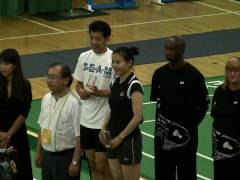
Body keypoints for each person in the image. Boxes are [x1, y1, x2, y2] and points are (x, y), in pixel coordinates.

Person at [150, 36, 209, 180]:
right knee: (163, 174)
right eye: (166, 48)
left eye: (172, 49)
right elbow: (156, 100)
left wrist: (190, 125)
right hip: (162, 138)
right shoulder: (159, 74)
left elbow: (204, 104)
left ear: (181, 50)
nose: (167, 52)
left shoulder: (194, 76)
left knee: (186, 175)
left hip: (185, 140)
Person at [73, 20, 113, 180]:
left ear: (107, 38)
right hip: (85, 120)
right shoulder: (84, 57)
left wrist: (98, 93)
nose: (93, 42)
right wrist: (82, 92)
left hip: (106, 122)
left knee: (104, 165)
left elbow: (118, 92)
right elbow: (78, 83)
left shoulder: (113, 59)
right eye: (91, 38)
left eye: (98, 39)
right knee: (92, 163)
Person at [0, 48, 33, 180]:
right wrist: (0, 134)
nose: (3, 67)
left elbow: (24, 112)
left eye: (7, 64)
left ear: (15, 65)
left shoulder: (24, 85)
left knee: (19, 172)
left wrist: (8, 136)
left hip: (17, 136)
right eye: (1, 63)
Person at [99, 46, 143, 180]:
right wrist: (103, 127)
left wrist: (120, 137)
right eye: (113, 62)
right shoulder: (114, 82)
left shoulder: (134, 85)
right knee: (117, 178)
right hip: (113, 137)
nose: (114, 65)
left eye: (118, 62)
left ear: (129, 63)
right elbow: (113, 109)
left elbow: (137, 117)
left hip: (128, 140)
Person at [35, 63, 82, 180]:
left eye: (53, 77)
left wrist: (75, 162)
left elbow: (80, 136)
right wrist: (38, 152)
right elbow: (41, 127)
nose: (49, 81)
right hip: (47, 156)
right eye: (48, 77)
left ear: (66, 80)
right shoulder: (46, 98)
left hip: (66, 158)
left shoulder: (75, 103)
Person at [211, 56, 240, 180]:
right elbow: (215, 117)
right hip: (220, 151)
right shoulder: (220, 91)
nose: (232, 73)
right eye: (229, 70)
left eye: (236, 70)